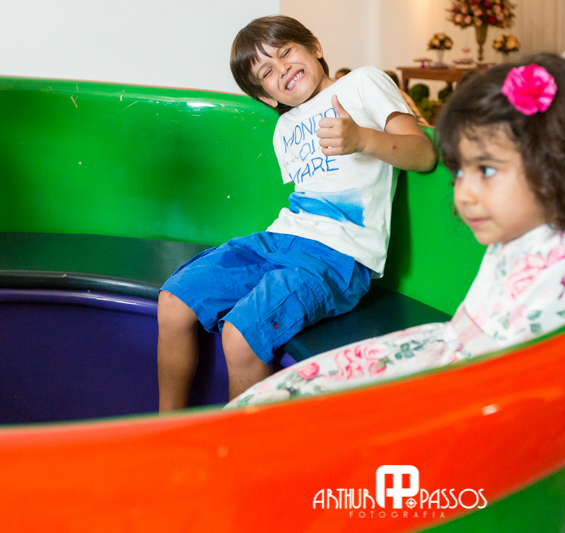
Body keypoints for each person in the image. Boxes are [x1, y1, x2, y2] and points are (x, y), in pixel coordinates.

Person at [225, 54, 565, 409]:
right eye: (462, 172)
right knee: (294, 396)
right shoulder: (510, 230)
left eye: (486, 170)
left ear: (555, 162)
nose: (465, 193)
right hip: (452, 355)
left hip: (495, 394)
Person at [157, 15, 437, 411]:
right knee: (173, 300)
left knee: (241, 335)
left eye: (285, 52)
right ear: (267, 98)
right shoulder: (283, 127)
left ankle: (240, 446)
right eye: (267, 72)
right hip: (280, 239)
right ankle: (168, 428)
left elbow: (423, 154)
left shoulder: (362, 83)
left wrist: (362, 139)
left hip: (338, 254)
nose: (282, 68)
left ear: (315, 48)